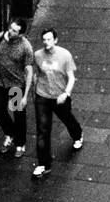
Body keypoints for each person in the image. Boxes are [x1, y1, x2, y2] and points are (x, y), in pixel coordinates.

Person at [32, 28, 83, 179]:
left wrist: (66, 94)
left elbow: (71, 77)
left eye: (49, 39)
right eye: (44, 40)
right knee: (42, 130)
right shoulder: (38, 55)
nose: (46, 42)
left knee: (67, 118)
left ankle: (78, 134)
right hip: (42, 95)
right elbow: (37, 74)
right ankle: (43, 164)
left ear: (55, 40)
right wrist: (34, 93)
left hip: (60, 96)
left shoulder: (65, 55)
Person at [0, 16, 34, 158]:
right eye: (10, 28)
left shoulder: (26, 47)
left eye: (14, 31)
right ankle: (10, 133)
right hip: (0, 82)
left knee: (18, 113)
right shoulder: (0, 37)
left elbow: (29, 72)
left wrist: (25, 95)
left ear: (21, 34)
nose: (10, 32)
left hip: (15, 85)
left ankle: (20, 143)